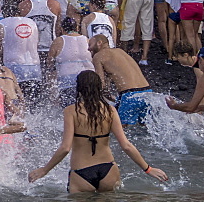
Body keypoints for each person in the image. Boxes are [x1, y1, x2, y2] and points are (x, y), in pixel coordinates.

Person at [29, 71, 169, 192]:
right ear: (99, 88)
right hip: (108, 170)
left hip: (81, 172)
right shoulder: (110, 110)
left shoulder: (71, 111)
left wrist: (44, 170)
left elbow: (65, 148)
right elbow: (126, 145)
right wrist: (148, 169)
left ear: (79, 88)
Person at [88, 35, 153, 126]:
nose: (88, 49)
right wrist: (110, 97)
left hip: (130, 95)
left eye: (90, 44)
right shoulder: (120, 51)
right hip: (148, 92)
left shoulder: (98, 56)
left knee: (117, 129)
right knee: (146, 128)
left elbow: (100, 84)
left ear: (99, 43)